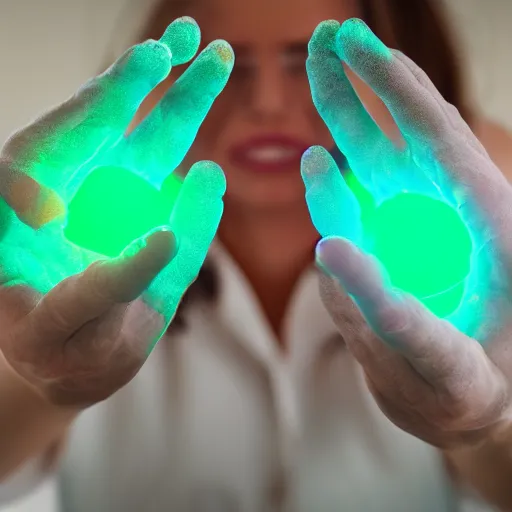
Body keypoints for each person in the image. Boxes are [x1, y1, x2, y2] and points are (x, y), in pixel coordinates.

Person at [1, 0, 512, 511]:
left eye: (307, 60)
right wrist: (48, 387)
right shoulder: (75, 242)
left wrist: (482, 427)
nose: (267, 102)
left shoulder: (470, 247)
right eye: (231, 63)